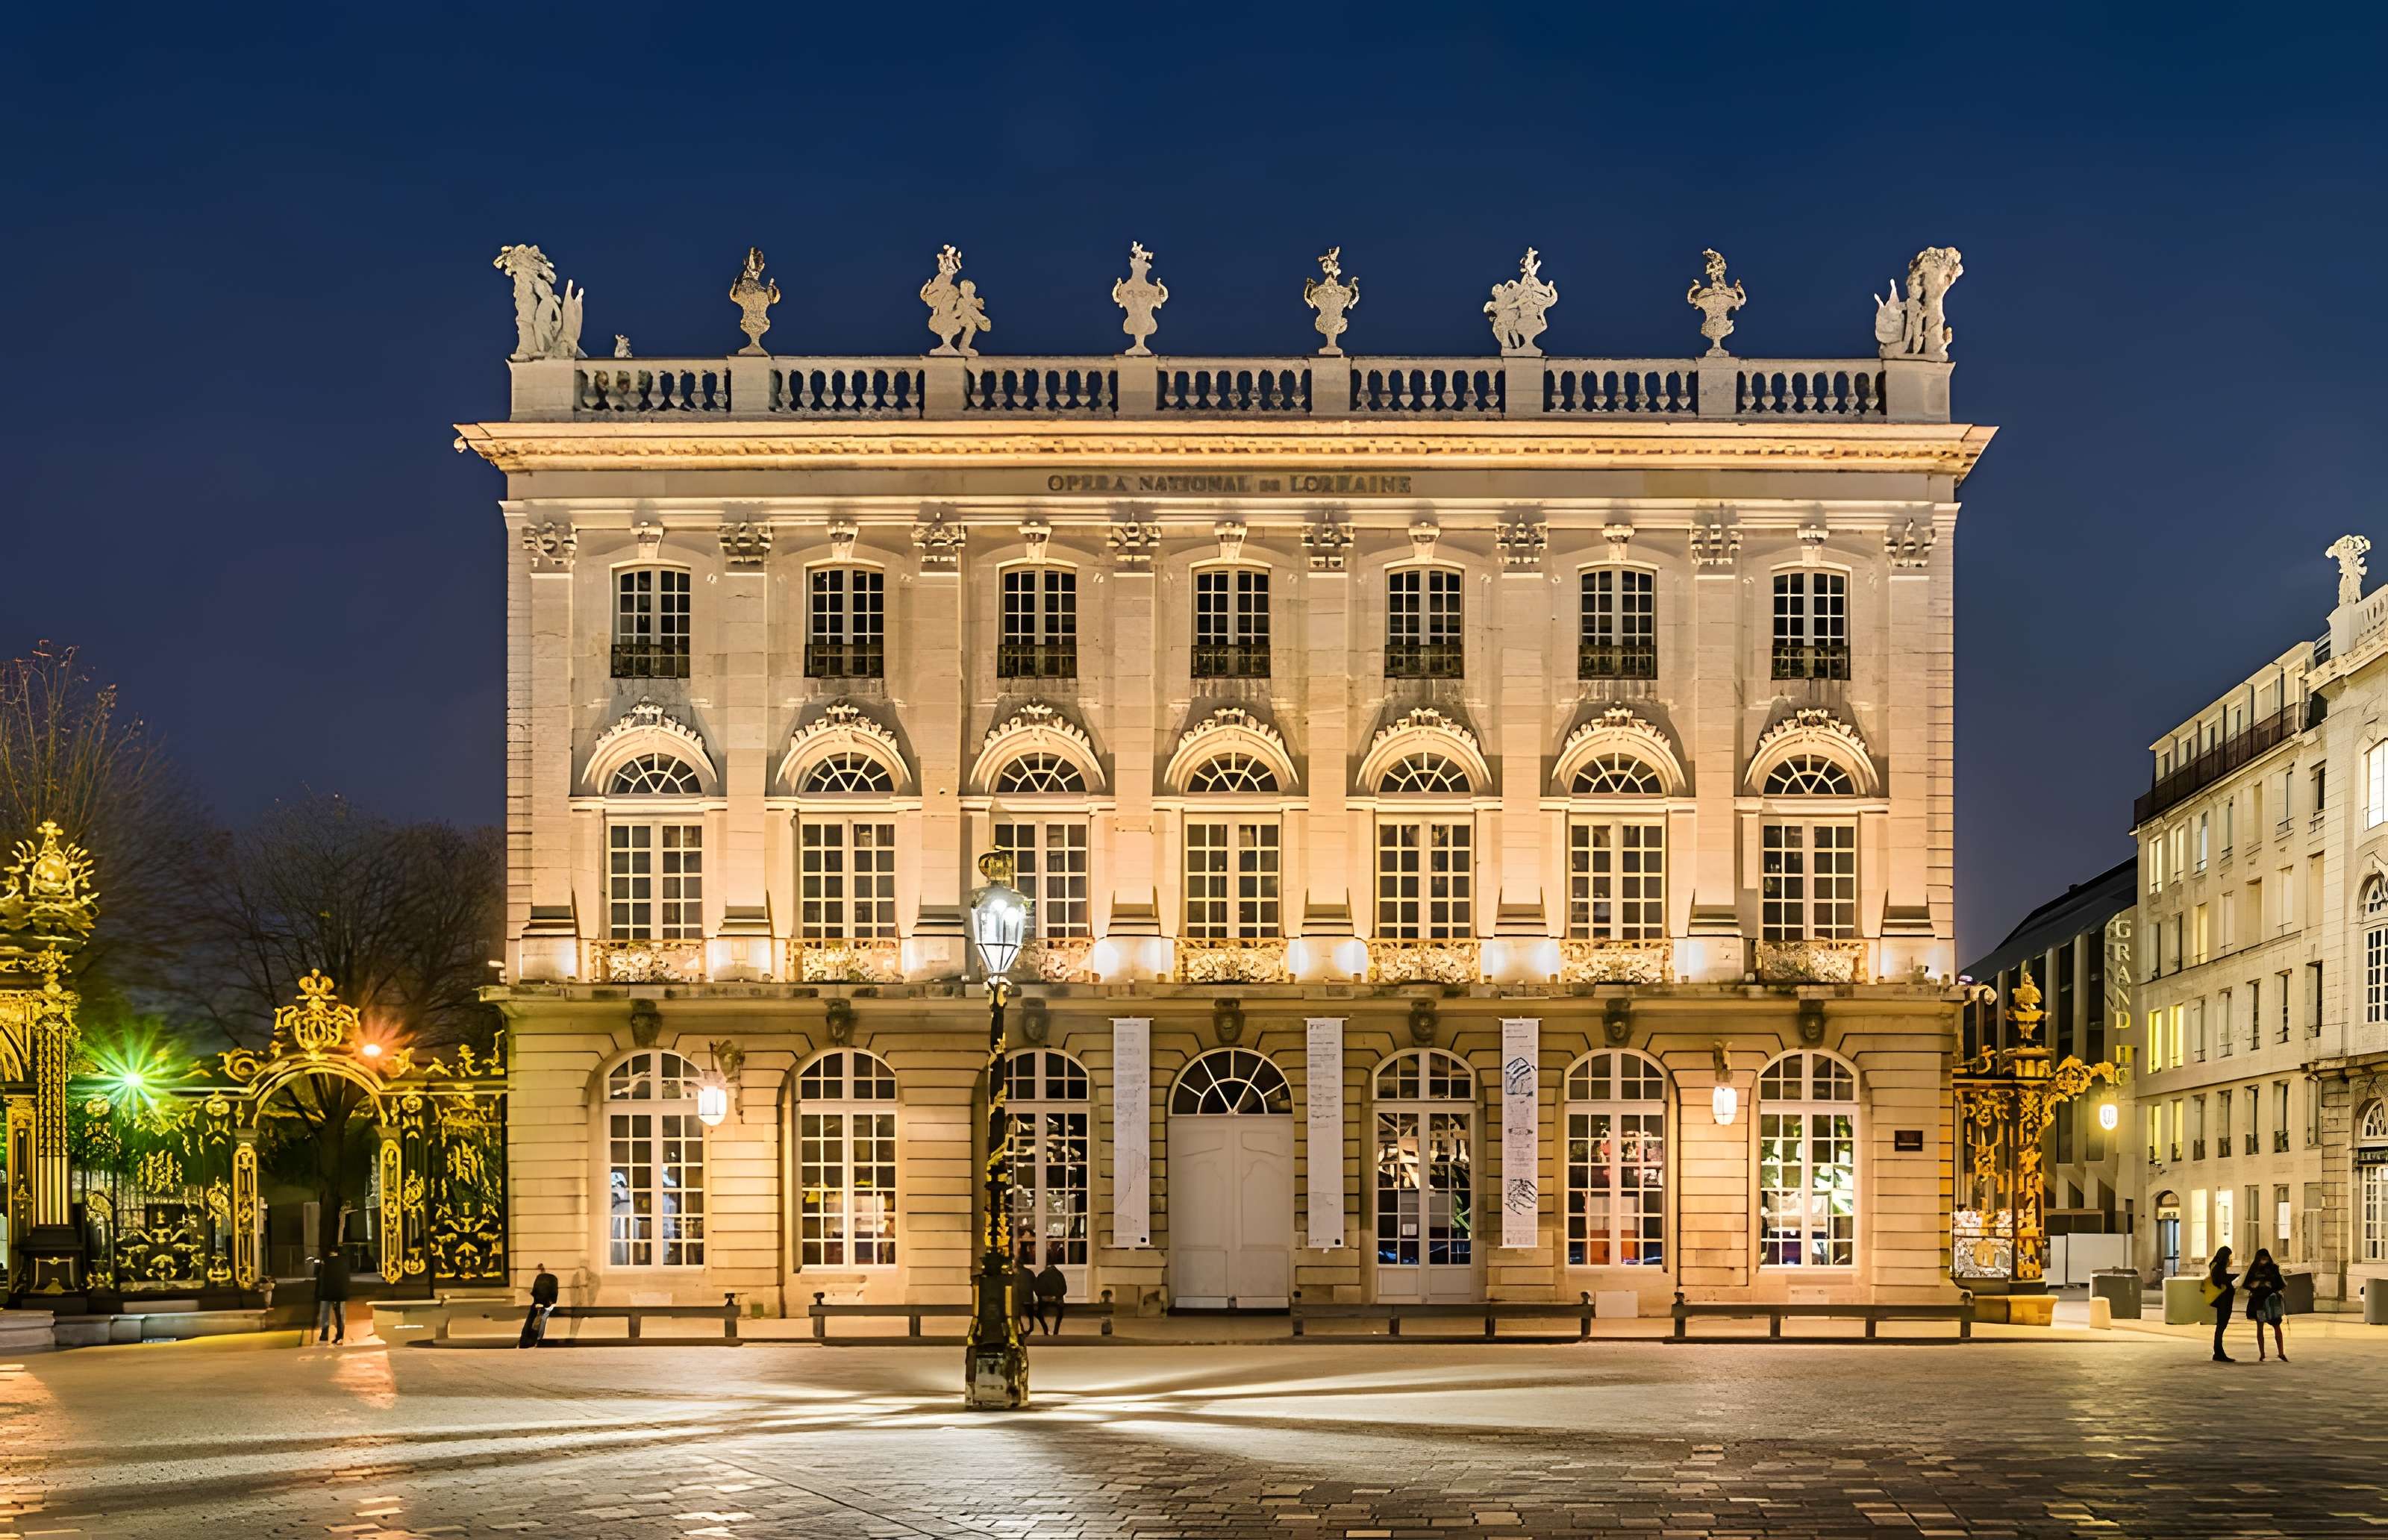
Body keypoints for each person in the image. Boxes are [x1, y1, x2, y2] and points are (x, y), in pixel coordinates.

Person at [2242, 1248, 2288, 1361]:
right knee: (2260, 1326)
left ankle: (2281, 1353)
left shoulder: (2273, 1268)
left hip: (2271, 1301)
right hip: (2259, 1302)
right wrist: (2255, 1285)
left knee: (2277, 1325)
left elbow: (2280, 1284)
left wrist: (2270, 1285)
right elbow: (2246, 1284)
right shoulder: (2254, 1269)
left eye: (2265, 1259)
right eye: (2262, 1259)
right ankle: (2262, 1354)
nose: (2264, 1261)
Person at [2206, 1245, 2237, 1362]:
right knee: (2221, 1326)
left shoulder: (2215, 1265)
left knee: (2221, 1327)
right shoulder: (2218, 1267)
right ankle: (2219, 1352)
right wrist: (2235, 1277)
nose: (2230, 1259)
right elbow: (2221, 1280)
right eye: (2229, 1256)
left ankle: (2218, 1352)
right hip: (2223, 1300)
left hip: (2223, 1300)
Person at [518, 1262, 560, 1348]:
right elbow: (554, 1293)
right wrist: (552, 1302)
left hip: (537, 1302)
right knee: (540, 1322)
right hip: (546, 1303)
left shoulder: (540, 1278)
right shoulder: (552, 1279)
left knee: (531, 1320)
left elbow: (534, 1291)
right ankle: (535, 1340)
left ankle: (525, 1340)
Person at [313, 1250, 351, 1345]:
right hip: (339, 1292)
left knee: (325, 1313)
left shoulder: (324, 1262)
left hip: (326, 1291)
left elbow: (316, 1273)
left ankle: (325, 1334)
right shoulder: (343, 1262)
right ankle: (339, 1335)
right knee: (339, 1314)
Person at [1034, 1251, 1069, 1336]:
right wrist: (1058, 1296)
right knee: (1060, 1313)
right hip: (1056, 1298)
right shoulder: (1059, 1274)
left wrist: (1040, 1296)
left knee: (1038, 1313)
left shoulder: (1041, 1275)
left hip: (1044, 1298)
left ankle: (1045, 1329)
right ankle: (1056, 1331)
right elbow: (1064, 1289)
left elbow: (1036, 1288)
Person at [1013, 1255, 1039, 1335]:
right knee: (1030, 1313)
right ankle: (1031, 1328)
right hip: (1028, 1296)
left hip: (1019, 1297)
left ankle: (1022, 1328)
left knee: (1017, 1314)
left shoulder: (1015, 1273)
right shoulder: (1029, 1272)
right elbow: (1035, 1283)